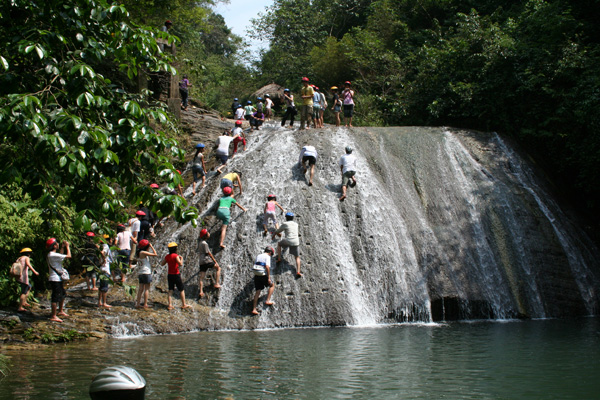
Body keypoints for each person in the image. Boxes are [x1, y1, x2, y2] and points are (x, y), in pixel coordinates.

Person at [160, 242, 192, 310]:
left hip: (169, 275)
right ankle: (184, 304)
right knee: (181, 289)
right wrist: (182, 258)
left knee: (170, 290)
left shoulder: (167, 256)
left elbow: (162, 264)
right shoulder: (175, 256)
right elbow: (180, 263)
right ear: (175, 249)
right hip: (176, 274)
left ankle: (170, 305)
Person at [46, 238, 71, 322]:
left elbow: (60, 256)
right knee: (55, 296)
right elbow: (69, 256)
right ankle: (53, 315)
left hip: (57, 278)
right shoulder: (52, 255)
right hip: (55, 279)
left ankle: (60, 311)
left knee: (62, 294)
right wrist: (67, 247)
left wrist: (63, 247)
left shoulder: (53, 255)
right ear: (54, 245)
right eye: (57, 243)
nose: (58, 244)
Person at [272, 212, 302, 278]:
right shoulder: (296, 224)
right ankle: (298, 271)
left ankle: (279, 258)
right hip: (296, 241)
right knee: (297, 257)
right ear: (293, 218)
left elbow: (278, 231)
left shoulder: (285, 224)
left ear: (286, 218)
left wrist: (273, 235)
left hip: (288, 240)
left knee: (279, 244)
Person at [251, 246, 276, 315]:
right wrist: (268, 278)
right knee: (272, 285)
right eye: (271, 254)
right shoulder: (267, 257)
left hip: (256, 274)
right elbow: (267, 267)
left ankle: (254, 309)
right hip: (262, 273)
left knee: (258, 291)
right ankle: (268, 300)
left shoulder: (259, 255)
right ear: (270, 252)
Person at [197, 229, 221, 299]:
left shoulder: (200, 243)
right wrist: (215, 261)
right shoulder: (205, 243)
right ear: (206, 235)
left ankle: (201, 291)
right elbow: (209, 253)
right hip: (206, 260)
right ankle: (217, 283)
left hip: (201, 261)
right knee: (218, 268)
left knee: (201, 277)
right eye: (208, 232)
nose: (209, 233)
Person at [135, 239, 157, 309]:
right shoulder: (143, 252)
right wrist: (151, 246)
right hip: (146, 272)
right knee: (146, 289)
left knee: (140, 289)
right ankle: (145, 304)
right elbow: (155, 254)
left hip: (141, 272)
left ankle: (138, 303)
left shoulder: (139, 252)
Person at [16, 247, 39, 312]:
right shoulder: (26, 258)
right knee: (24, 291)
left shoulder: (19, 258)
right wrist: (35, 272)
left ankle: (24, 302)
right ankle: (20, 307)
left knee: (29, 287)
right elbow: (28, 265)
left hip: (19, 277)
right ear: (28, 254)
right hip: (23, 277)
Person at [98, 235, 112, 308]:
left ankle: (99, 302)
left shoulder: (100, 246)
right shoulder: (105, 246)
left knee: (101, 287)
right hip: (105, 268)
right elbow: (102, 252)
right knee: (105, 288)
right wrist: (104, 260)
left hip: (101, 268)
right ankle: (104, 303)